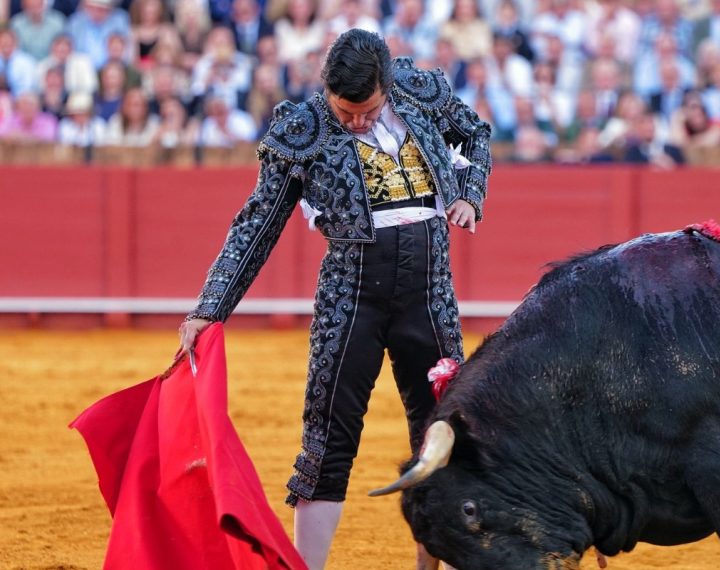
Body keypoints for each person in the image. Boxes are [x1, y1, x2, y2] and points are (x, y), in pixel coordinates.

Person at [177, 29, 491, 570]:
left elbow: (476, 134)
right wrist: (210, 308)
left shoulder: (418, 92)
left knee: (441, 433)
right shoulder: (303, 130)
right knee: (327, 438)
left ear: (386, 87)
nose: (355, 121)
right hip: (351, 298)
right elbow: (259, 223)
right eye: (344, 111)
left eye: (366, 110)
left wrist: (469, 192)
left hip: (430, 292)